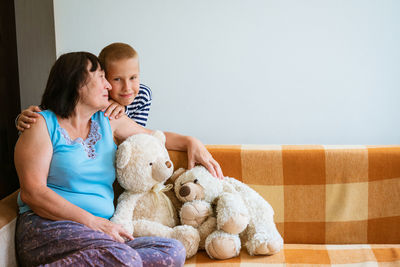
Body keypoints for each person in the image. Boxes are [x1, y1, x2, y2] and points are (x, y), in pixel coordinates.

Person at [14, 52, 223, 266]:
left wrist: (191, 142)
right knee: (125, 258)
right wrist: (93, 222)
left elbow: (155, 138)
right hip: (49, 227)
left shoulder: (109, 120)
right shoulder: (40, 124)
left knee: (172, 250)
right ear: (76, 83)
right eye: (101, 78)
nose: (108, 86)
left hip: (98, 235)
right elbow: (33, 192)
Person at [16, 42, 150, 131]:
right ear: (104, 79)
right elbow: (57, 109)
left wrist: (122, 110)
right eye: (117, 79)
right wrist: (22, 119)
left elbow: (138, 138)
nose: (127, 87)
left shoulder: (142, 95)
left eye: (133, 77)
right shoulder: (96, 96)